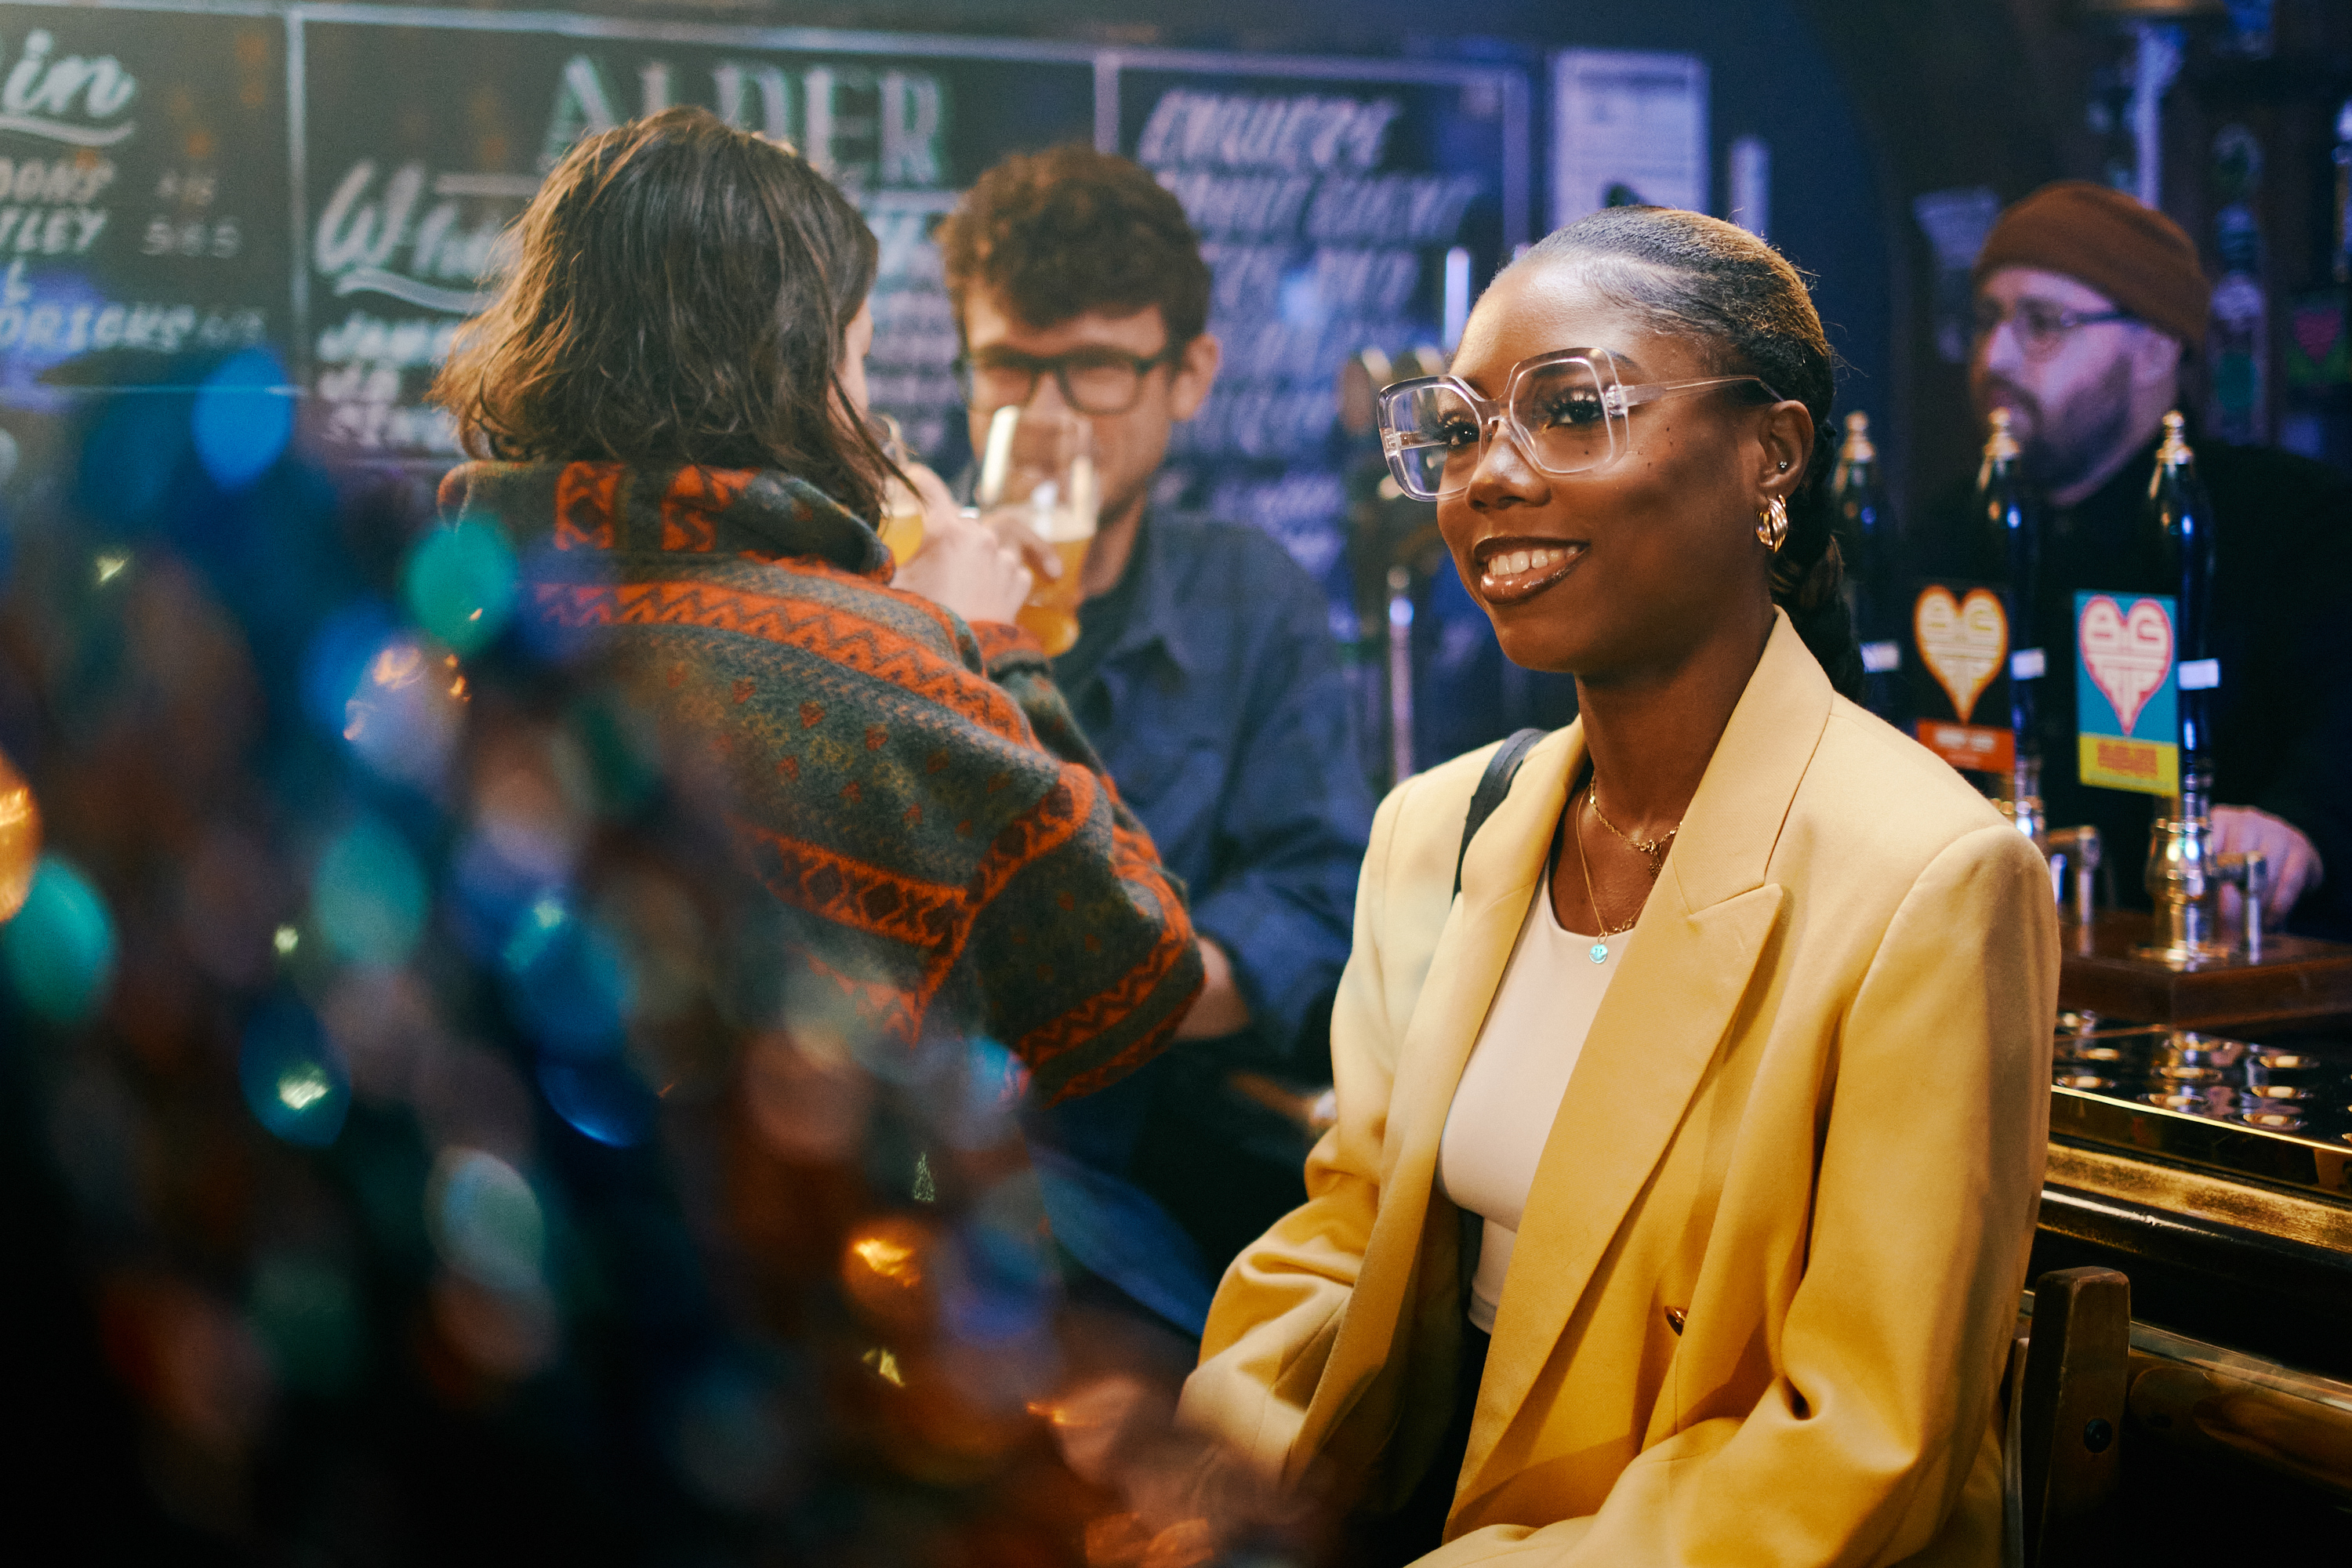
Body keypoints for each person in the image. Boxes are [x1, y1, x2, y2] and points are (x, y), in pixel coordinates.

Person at [1175, 207, 2059, 1564]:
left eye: (1573, 410)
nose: (1489, 477)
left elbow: (1855, 1441)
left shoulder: (1931, 878)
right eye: (1461, 430)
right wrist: (1215, 1478)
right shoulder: (1443, 828)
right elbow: (1347, 1235)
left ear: (1769, 456)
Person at [430, 108, 1204, 1103]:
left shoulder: (450, 618)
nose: (866, 407)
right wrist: (984, 650)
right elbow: (1140, 968)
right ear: (797, 371)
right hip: (810, 1227)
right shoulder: (886, 674)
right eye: (860, 357)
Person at [932, 147, 1374, 1319]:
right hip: (937, 1165)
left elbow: (1319, 903)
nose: (1046, 419)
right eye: (1008, 370)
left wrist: (1127, 987)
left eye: (1095, 372)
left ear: (1190, 374)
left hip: (1147, 1162)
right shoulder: (901, 582)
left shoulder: (1250, 600)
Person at [1911, 180, 2352, 936]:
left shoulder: (2287, 522)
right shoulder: (1949, 531)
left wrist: (2293, 827)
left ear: (2155, 349)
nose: (1997, 355)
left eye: (2043, 322)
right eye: (1986, 319)